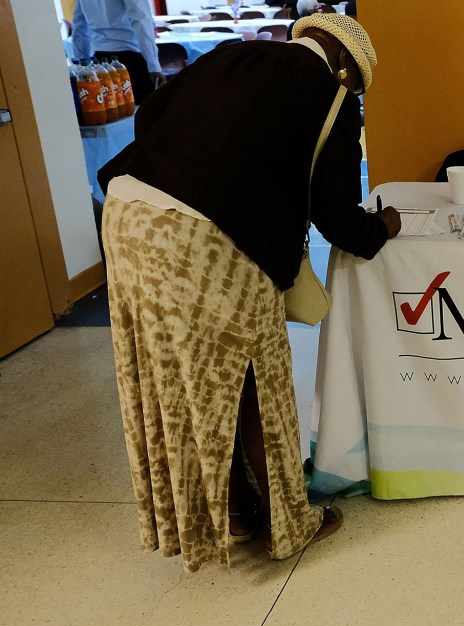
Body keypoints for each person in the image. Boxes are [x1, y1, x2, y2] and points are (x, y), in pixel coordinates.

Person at [97, 14, 402, 573]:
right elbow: (338, 216)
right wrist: (382, 228)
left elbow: (151, 118)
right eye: (357, 86)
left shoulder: (230, 55)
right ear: (345, 68)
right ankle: (290, 522)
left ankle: (234, 514)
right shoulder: (331, 98)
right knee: (257, 377)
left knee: (183, 374)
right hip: (203, 239)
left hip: (126, 213)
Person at [71, 0, 164, 104]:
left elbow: (78, 25)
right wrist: (153, 65)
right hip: (130, 59)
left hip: (100, 60)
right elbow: (140, 20)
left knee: (114, 112)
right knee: (146, 112)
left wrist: (83, 65)